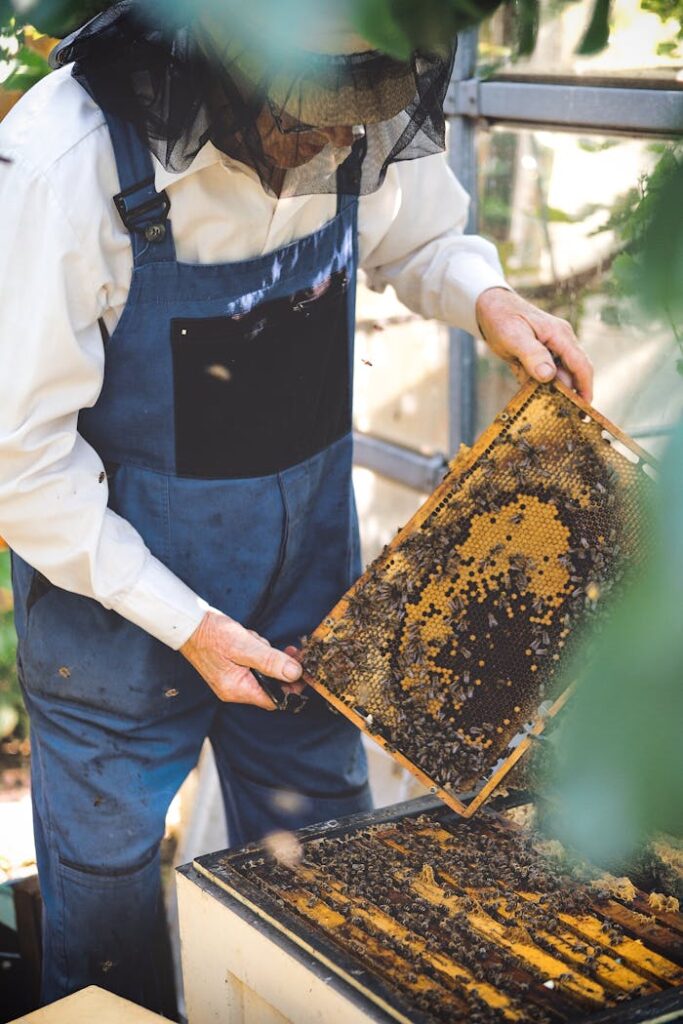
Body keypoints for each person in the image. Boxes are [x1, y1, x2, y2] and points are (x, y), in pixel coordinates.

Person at [0, 0, 593, 1013]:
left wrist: (483, 294)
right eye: (310, 111)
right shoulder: (65, 159)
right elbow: (21, 460)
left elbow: (421, 238)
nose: (333, 141)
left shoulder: (358, 114)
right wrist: (184, 623)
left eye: (357, 113)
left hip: (312, 621)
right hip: (112, 624)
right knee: (107, 951)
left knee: (334, 909)